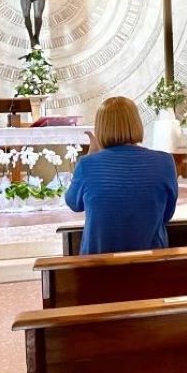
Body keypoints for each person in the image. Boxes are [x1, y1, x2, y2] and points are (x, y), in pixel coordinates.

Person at [65, 96, 178, 255]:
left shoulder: (87, 164)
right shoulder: (165, 161)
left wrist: (91, 156)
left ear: (101, 128)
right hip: (151, 264)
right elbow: (167, 213)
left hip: (98, 267)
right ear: (136, 123)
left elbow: (73, 203)